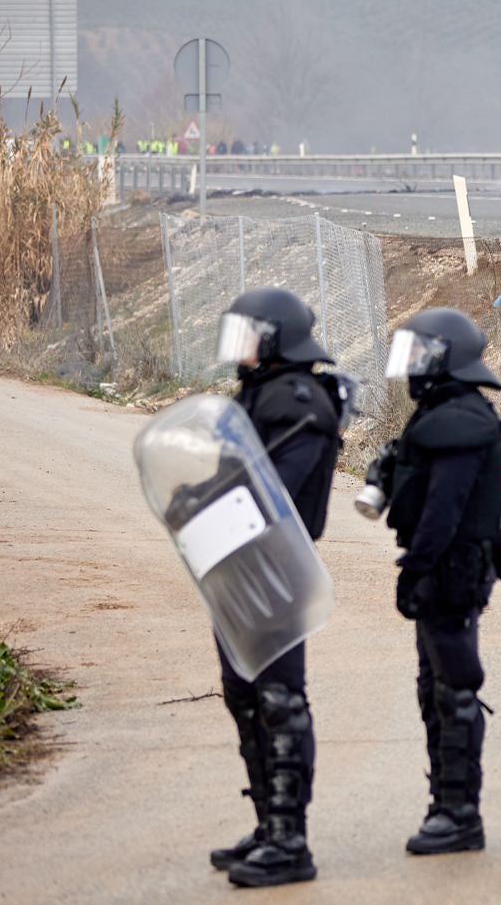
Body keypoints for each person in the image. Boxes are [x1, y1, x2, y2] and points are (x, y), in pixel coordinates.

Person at [210, 288, 346, 888]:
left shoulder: (298, 401)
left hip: (277, 566)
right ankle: (268, 825)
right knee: (242, 693)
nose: (238, 347)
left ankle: (291, 841)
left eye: (248, 334)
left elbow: (274, 493)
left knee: (279, 700)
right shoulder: (261, 395)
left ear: (274, 339)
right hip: (238, 564)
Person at [382, 308, 501, 855]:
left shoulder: (459, 419)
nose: (411, 368)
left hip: (451, 571)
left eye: (419, 355)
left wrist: (418, 566)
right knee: (434, 690)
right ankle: (446, 806)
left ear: (445, 358)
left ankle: (460, 814)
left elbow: (444, 508)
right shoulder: (451, 412)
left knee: (454, 691)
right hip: (444, 568)